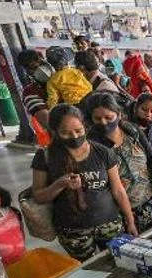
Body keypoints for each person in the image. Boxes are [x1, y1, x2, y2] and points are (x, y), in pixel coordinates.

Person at [31, 104, 137, 261]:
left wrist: (130, 221)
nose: (74, 136)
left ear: (85, 127)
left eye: (78, 131)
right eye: (65, 133)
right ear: (54, 132)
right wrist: (59, 184)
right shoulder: (45, 157)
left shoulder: (102, 152)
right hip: (73, 232)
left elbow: (118, 190)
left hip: (110, 224)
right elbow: (39, 196)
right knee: (89, 270)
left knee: (121, 263)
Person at [86, 93, 152, 232]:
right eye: (98, 119)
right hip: (117, 212)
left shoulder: (133, 131)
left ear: (118, 114)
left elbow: (151, 156)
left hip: (146, 201)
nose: (104, 122)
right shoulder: (92, 146)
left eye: (108, 117)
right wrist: (129, 220)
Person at [16, 49, 54, 147]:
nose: (41, 69)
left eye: (42, 63)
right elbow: (47, 120)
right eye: (34, 67)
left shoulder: (65, 77)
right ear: (28, 72)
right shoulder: (30, 92)